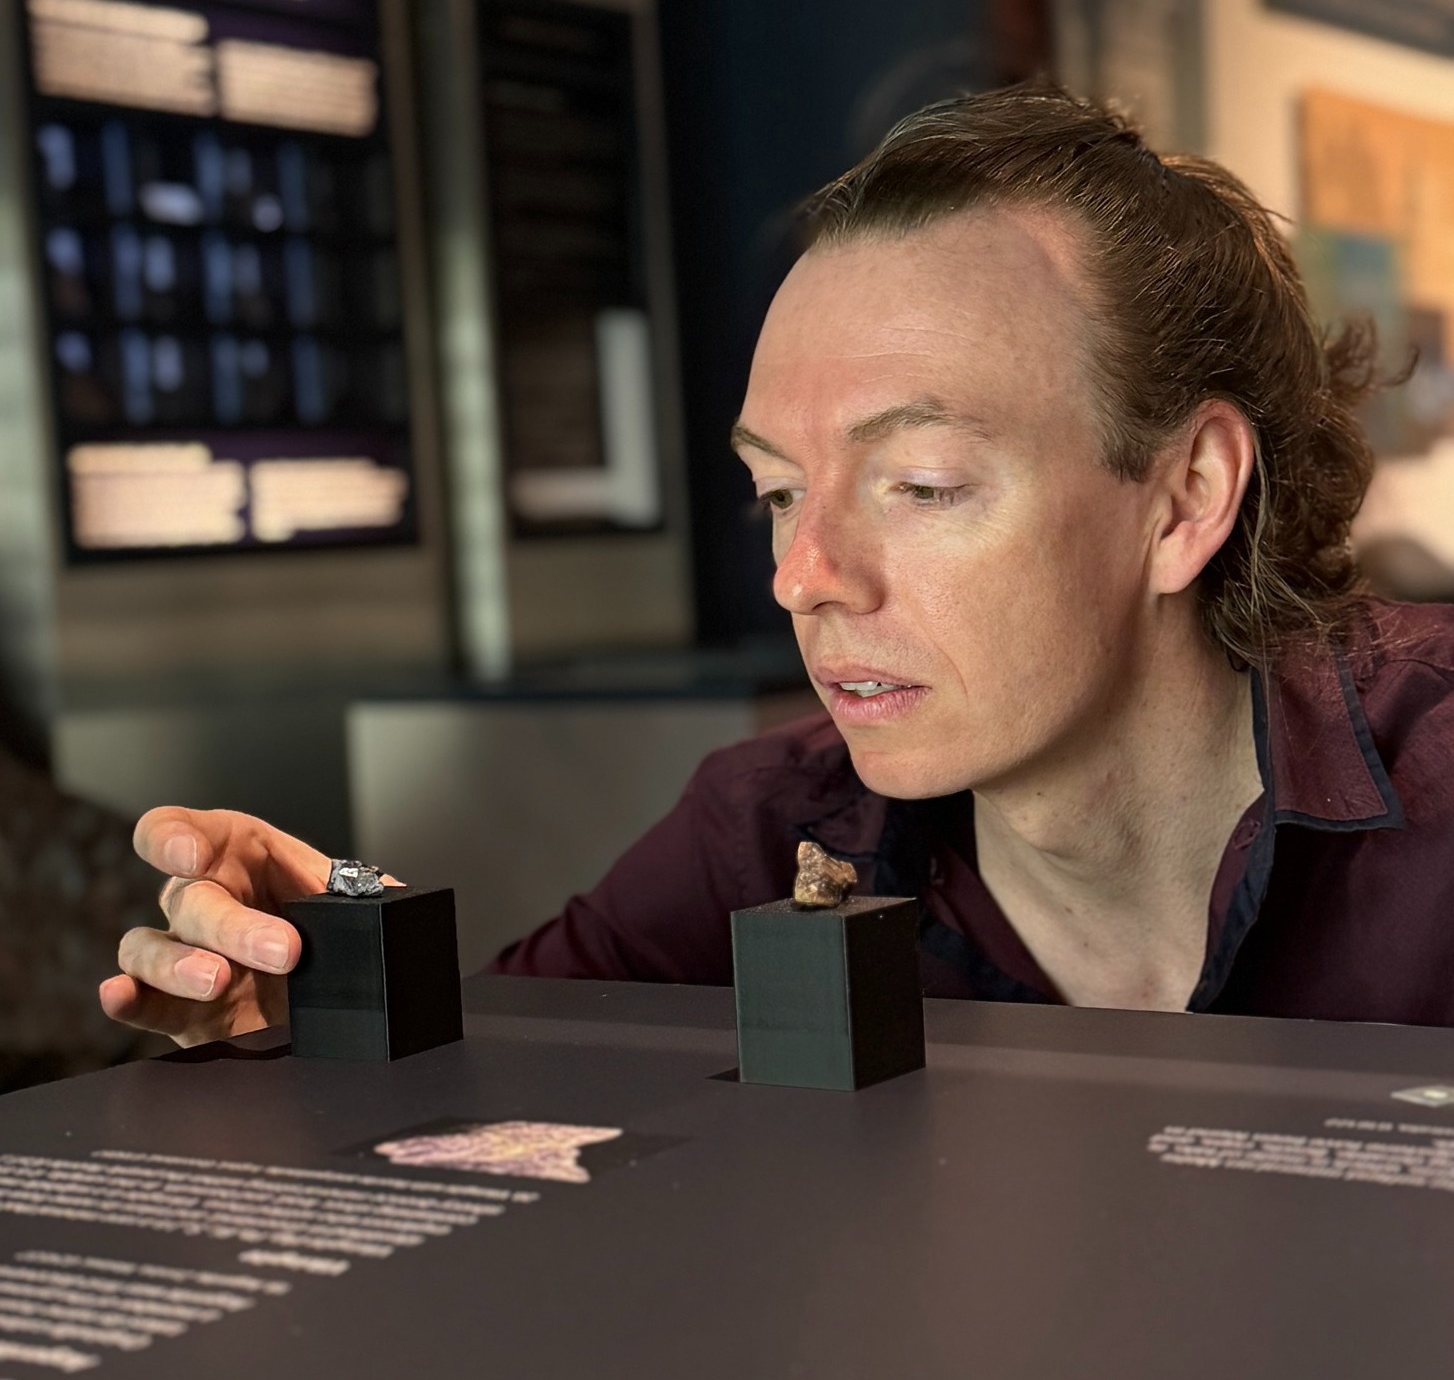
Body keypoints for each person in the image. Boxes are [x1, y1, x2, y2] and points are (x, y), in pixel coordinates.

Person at [100, 82, 1454, 1045]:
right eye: (774, 491)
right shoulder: (772, 826)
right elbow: (515, 1057)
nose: (802, 575)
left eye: (917, 484)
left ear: (1184, 497)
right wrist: (314, 962)